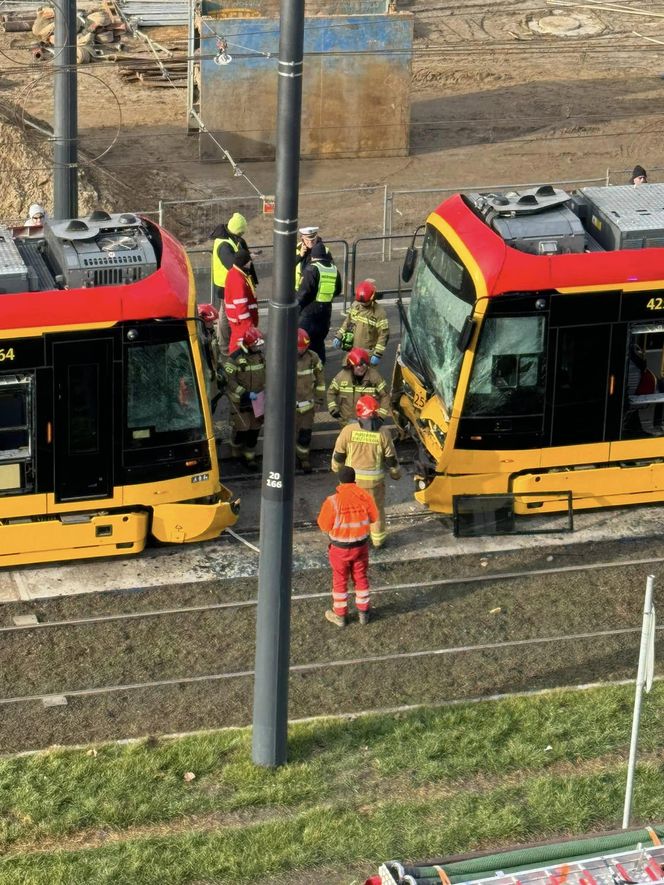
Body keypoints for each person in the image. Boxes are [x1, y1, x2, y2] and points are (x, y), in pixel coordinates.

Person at [331, 394, 401, 548]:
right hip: (374, 484)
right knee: (376, 512)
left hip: (351, 484)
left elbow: (338, 456)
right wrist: (396, 474)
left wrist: (336, 470)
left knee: (351, 511)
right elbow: (391, 460)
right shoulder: (383, 433)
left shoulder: (348, 431)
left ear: (358, 413)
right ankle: (378, 541)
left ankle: (353, 539)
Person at [317, 465, 379, 627]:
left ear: (339, 481)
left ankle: (340, 616)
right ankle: (364, 613)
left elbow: (324, 525)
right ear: (354, 480)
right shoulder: (364, 497)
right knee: (361, 578)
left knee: (339, 580)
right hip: (361, 547)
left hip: (339, 550)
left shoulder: (332, 501)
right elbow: (374, 517)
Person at [210, 213, 258, 353]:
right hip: (227, 286)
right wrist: (247, 258)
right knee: (226, 315)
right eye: (241, 231)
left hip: (229, 284)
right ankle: (225, 346)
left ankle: (226, 343)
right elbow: (232, 264)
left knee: (226, 314)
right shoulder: (224, 244)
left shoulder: (229, 239)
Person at [223, 326, 266, 470]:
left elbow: (265, 374)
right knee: (242, 429)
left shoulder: (260, 356)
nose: (259, 346)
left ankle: (250, 457)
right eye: (256, 344)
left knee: (254, 430)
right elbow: (229, 380)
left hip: (257, 400)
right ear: (248, 344)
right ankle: (235, 447)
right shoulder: (234, 359)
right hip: (240, 400)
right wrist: (244, 393)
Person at [297, 240, 342, 363]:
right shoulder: (334, 269)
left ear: (313, 256)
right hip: (326, 312)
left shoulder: (311, 269)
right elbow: (338, 290)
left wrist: (296, 308)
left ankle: (305, 371)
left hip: (309, 312)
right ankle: (319, 368)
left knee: (304, 342)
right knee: (319, 343)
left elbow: (304, 293)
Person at [327, 347, 391, 426]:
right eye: (358, 366)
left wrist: (381, 416)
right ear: (351, 365)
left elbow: (385, 395)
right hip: (347, 421)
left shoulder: (375, 377)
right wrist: (333, 408)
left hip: (368, 421)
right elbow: (331, 393)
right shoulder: (341, 377)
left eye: (364, 365)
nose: (361, 368)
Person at [333, 279, 389, 365]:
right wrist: (339, 335)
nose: (362, 304)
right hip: (352, 350)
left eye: (365, 302)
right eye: (361, 302)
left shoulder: (379, 313)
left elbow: (384, 335)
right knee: (347, 374)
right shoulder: (356, 305)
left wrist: (377, 354)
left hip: (368, 353)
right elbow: (347, 321)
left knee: (367, 377)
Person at [295, 328, 325, 473]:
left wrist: (319, 400)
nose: (302, 351)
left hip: (307, 406)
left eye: (304, 348)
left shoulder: (313, 358)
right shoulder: (283, 356)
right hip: (289, 407)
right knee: (287, 436)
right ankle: (287, 460)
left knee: (305, 435)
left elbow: (320, 381)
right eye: (300, 348)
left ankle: (303, 458)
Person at [224, 248, 259, 354]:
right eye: (249, 261)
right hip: (242, 322)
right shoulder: (238, 279)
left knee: (239, 342)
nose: (250, 263)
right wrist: (248, 325)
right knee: (238, 343)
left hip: (239, 321)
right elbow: (241, 305)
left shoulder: (236, 274)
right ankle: (235, 361)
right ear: (244, 262)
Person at [295, 225, 332, 290]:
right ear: (302, 238)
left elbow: (331, 271)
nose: (310, 242)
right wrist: (300, 256)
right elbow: (287, 267)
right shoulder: (297, 249)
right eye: (307, 240)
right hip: (298, 290)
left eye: (313, 240)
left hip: (316, 291)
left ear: (317, 237)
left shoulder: (324, 251)